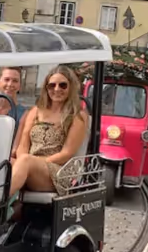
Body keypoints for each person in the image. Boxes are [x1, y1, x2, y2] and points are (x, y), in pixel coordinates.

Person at [8, 65, 88, 198]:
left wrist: (35, 162)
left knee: (26, 161)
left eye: (63, 85)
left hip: (56, 170)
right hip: (29, 164)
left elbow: (66, 154)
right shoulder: (35, 111)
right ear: (46, 88)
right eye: (52, 85)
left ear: (71, 88)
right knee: (6, 162)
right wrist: (25, 160)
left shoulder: (77, 116)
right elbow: (23, 144)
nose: (57, 89)